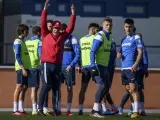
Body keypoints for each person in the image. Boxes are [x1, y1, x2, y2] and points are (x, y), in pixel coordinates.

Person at [38, 0, 76, 116]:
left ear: (60, 29)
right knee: (45, 86)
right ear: (52, 28)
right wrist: (45, 9)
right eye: (54, 27)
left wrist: (73, 14)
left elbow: (71, 27)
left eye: (58, 28)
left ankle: (55, 109)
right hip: (46, 64)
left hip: (58, 65)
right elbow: (42, 22)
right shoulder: (45, 34)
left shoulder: (63, 36)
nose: (56, 29)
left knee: (56, 88)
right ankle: (40, 109)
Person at [118, 31, 149, 116]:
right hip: (127, 69)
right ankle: (133, 109)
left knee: (136, 89)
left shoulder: (140, 45)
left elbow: (144, 57)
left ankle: (137, 110)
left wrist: (145, 69)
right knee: (130, 89)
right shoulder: (125, 41)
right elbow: (122, 53)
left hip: (138, 70)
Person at [117, 18, 143, 118]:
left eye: (130, 27)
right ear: (124, 28)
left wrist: (135, 64)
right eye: (127, 27)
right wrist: (119, 54)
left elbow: (140, 52)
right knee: (128, 89)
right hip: (123, 68)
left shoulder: (136, 37)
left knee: (134, 89)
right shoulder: (123, 39)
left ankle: (136, 111)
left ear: (133, 27)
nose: (128, 28)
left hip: (131, 67)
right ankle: (133, 110)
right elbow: (120, 52)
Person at [90, 17, 113, 118]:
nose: (109, 27)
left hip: (104, 66)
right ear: (103, 26)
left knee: (107, 86)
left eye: (110, 25)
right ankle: (95, 110)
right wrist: (93, 66)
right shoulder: (100, 36)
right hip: (98, 65)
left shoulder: (110, 36)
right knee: (102, 86)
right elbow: (92, 51)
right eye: (107, 25)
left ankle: (95, 109)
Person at [56, 23, 80, 116]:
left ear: (67, 30)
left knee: (69, 88)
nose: (61, 31)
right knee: (57, 88)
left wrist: (71, 65)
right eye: (60, 30)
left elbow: (78, 54)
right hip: (59, 67)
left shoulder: (73, 39)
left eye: (63, 30)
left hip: (69, 67)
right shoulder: (58, 38)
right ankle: (58, 108)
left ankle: (68, 110)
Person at [78, 23, 99, 115]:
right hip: (94, 65)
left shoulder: (81, 40)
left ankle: (80, 109)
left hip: (85, 67)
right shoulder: (95, 38)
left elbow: (79, 54)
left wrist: (79, 65)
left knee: (83, 89)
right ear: (93, 30)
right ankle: (101, 108)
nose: (98, 32)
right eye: (97, 30)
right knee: (101, 87)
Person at [12, 24, 30, 116]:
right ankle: (15, 110)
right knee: (19, 88)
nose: (28, 32)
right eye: (27, 31)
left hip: (26, 68)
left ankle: (21, 109)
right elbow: (17, 56)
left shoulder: (23, 42)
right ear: (23, 32)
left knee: (25, 88)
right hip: (21, 68)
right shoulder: (17, 42)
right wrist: (23, 69)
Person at [25, 26, 42, 115]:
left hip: (28, 66)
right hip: (36, 67)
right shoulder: (39, 42)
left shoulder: (27, 42)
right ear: (38, 33)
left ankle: (34, 107)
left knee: (31, 88)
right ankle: (35, 109)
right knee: (35, 88)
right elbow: (40, 55)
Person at [101, 40, 118, 115]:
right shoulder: (99, 39)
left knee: (105, 88)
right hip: (104, 66)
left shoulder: (112, 41)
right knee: (104, 88)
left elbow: (113, 54)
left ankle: (106, 107)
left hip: (108, 67)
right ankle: (105, 107)